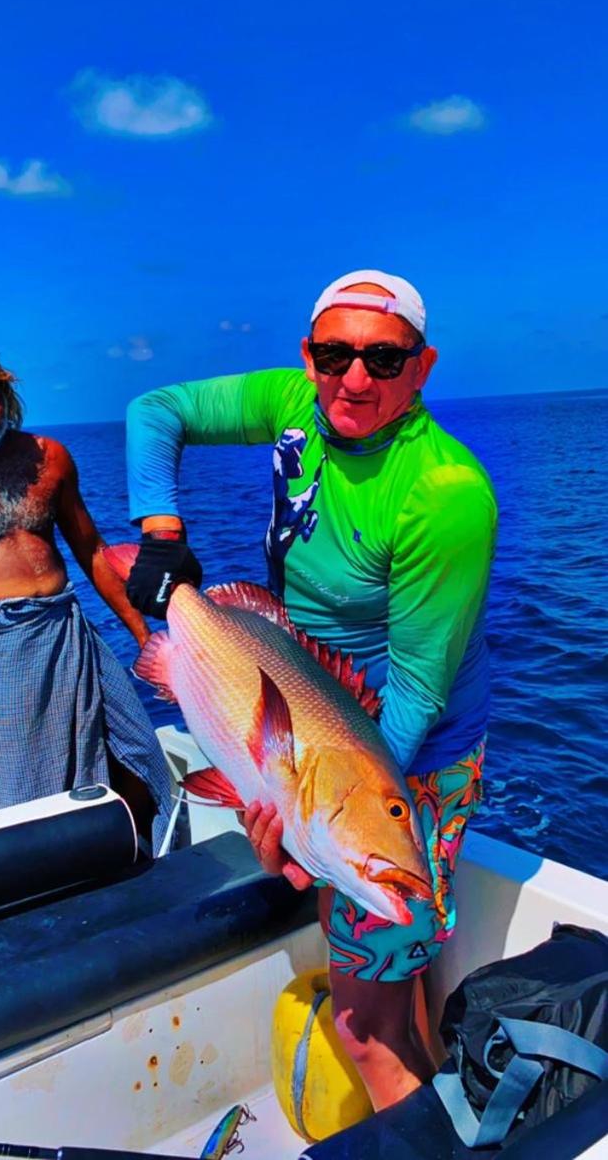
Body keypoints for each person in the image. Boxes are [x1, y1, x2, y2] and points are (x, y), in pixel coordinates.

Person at [124, 269, 497, 1108]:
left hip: (403, 760)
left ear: (423, 365)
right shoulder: (298, 400)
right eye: (334, 355)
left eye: (384, 359)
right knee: (393, 994)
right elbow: (156, 410)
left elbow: (413, 698)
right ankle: (445, 1114)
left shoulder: (444, 495)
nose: (354, 379)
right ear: (309, 356)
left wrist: (305, 828)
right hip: (315, 729)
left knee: (363, 1030)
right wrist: (161, 530)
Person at [0, 336, 172, 853]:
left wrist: (148, 640)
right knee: (23, 800)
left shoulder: (49, 458)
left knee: (141, 761)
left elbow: (93, 552)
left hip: (71, 635)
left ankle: (143, 870)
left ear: (6, 396)